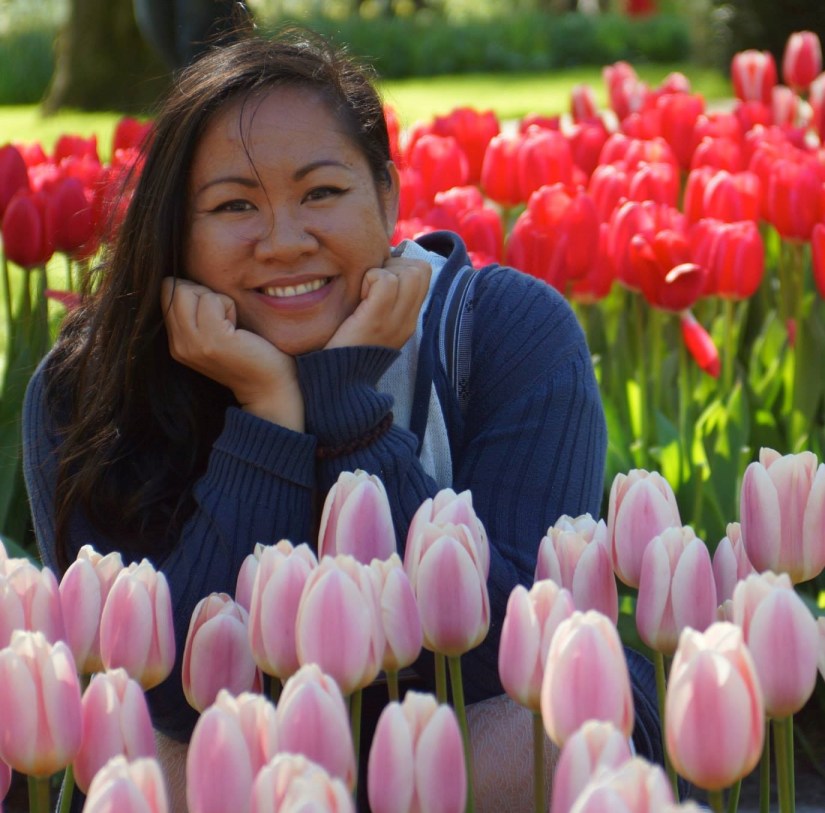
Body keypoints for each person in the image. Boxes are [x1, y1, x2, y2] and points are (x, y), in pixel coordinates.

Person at [22, 25, 662, 810]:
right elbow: (160, 701)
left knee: (574, 722)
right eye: (233, 205)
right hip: (224, 754)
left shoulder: (503, 335)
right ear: (175, 230)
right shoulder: (91, 384)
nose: (285, 241)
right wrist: (270, 418)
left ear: (387, 196)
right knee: (128, 741)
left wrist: (345, 405)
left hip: (458, 744)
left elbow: (513, 652)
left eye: (322, 192)